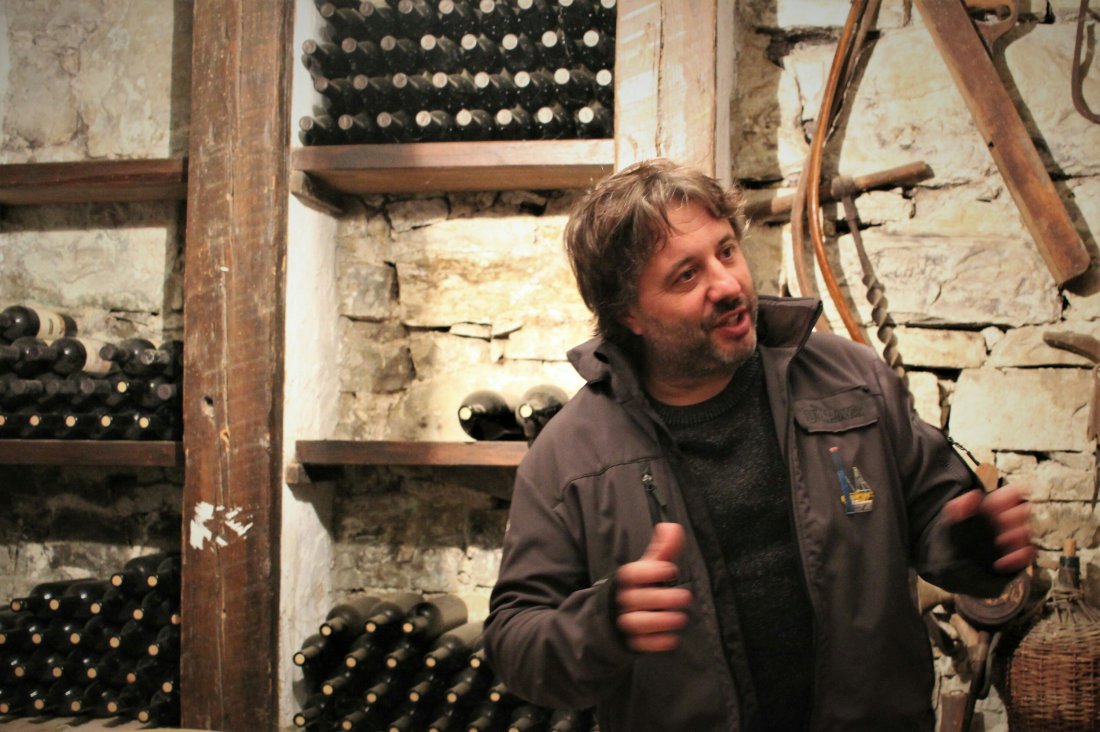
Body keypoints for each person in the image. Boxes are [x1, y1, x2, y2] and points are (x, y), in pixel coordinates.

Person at [483, 159, 1035, 731]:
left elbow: (938, 523)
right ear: (629, 314)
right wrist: (599, 627)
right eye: (686, 276)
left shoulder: (853, 382)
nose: (727, 285)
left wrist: (977, 549)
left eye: (726, 251)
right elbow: (516, 644)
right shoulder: (570, 456)